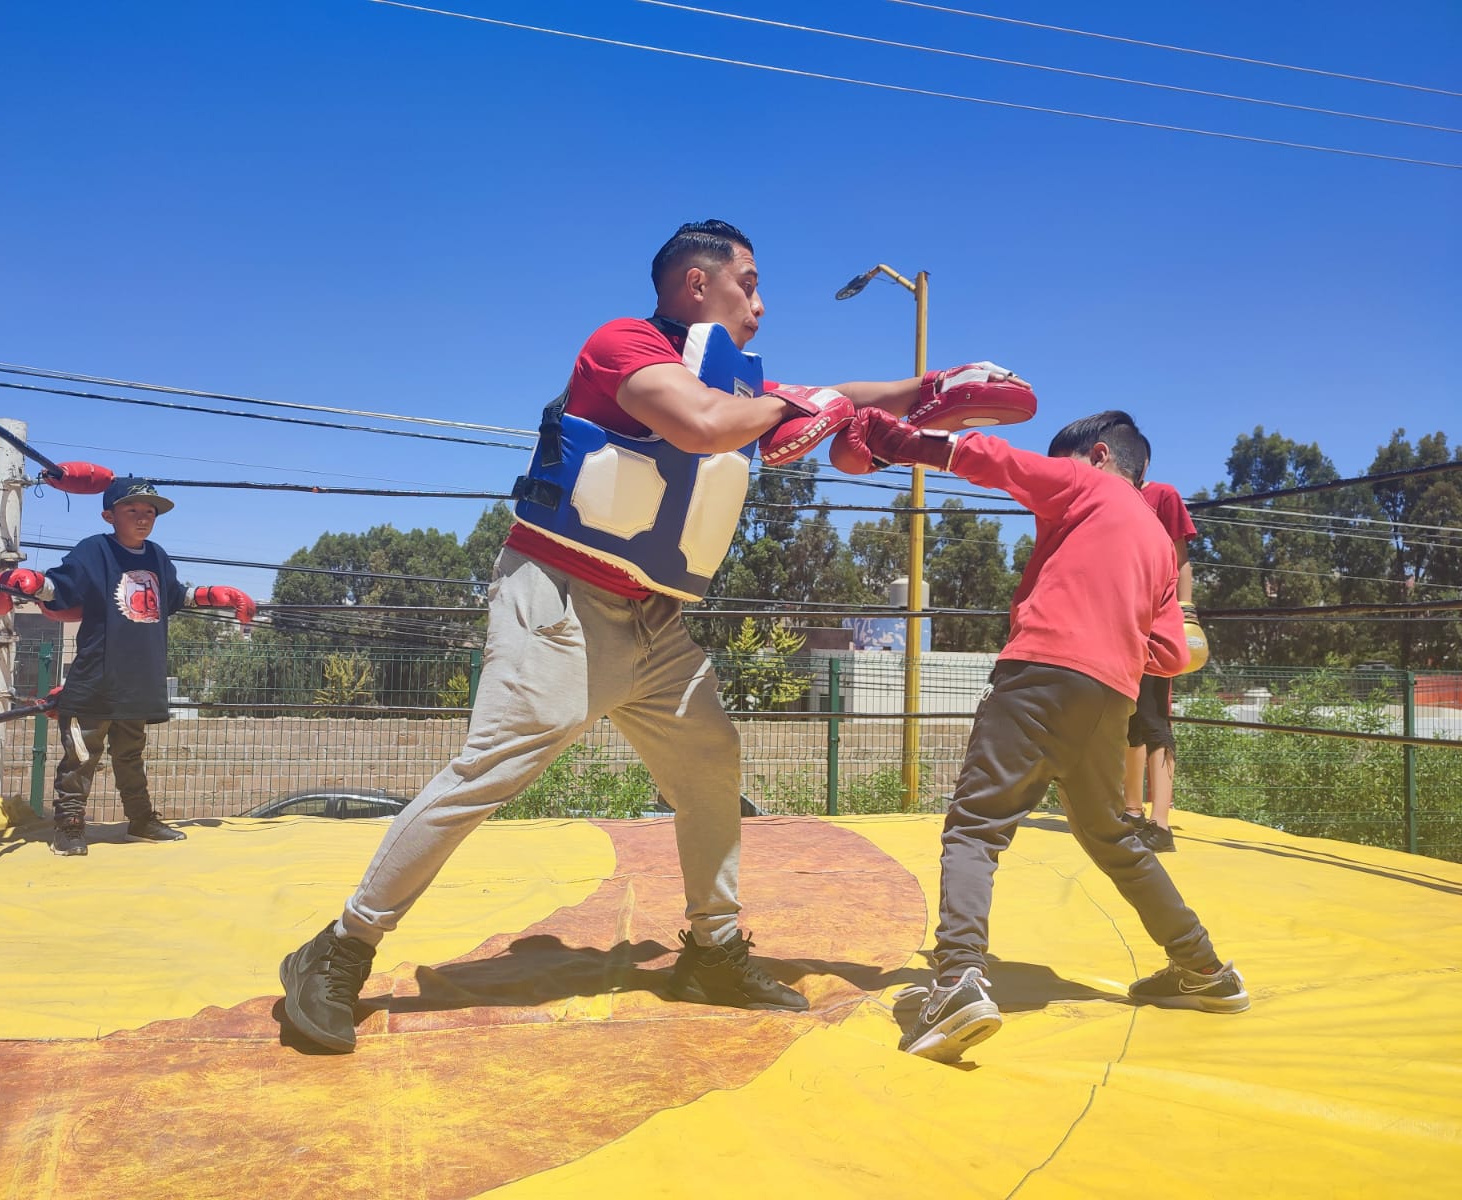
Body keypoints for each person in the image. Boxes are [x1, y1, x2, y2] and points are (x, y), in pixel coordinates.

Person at [275, 218, 1037, 1052]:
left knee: (711, 762)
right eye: (749, 281)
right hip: (560, 596)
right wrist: (807, 402)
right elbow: (705, 425)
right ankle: (339, 948)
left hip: (654, 620)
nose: (761, 302)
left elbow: (821, 399)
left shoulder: (734, 379)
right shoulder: (624, 345)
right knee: (487, 772)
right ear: (696, 284)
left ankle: (711, 951)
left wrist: (927, 387)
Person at [828, 408, 1247, 1064]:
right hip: (1110, 699)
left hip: (1042, 672)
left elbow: (988, 457)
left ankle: (959, 980)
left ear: (1101, 456)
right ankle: (1204, 967)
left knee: (974, 827)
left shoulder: (1089, 485)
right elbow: (1167, 654)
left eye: (1067, 461)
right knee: (1113, 837)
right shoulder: (1161, 548)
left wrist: (886, 436)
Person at [0, 477, 256, 856]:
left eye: (149, 511)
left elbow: (174, 597)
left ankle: (141, 820)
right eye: (132, 510)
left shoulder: (156, 555)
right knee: (80, 756)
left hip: (140, 676)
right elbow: (61, 589)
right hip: (97, 675)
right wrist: (33, 583)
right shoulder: (95, 550)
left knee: (130, 756)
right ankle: (69, 826)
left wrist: (212, 595)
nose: (143, 518)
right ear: (109, 514)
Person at [1124, 461, 1205, 854]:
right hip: (1120, 624)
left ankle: (1161, 823)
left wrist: (1186, 614)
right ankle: (1131, 811)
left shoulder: (1163, 495)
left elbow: (1182, 558)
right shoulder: (1110, 497)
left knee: (1155, 718)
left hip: (1157, 624)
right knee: (1128, 718)